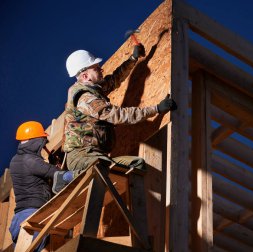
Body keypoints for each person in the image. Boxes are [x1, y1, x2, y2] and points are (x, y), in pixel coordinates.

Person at [63, 44, 177, 177]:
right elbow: (118, 115)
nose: (101, 69)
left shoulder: (93, 88)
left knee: (136, 164)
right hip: (81, 157)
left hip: (98, 155)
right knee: (101, 169)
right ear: (85, 76)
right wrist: (156, 109)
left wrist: (133, 58)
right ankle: (67, 177)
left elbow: (114, 80)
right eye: (96, 68)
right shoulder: (85, 98)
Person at [9, 121, 73, 251]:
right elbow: (56, 174)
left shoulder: (17, 160)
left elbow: (36, 180)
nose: (44, 146)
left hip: (21, 219)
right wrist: (76, 173)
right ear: (36, 141)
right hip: (33, 218)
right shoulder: (29, 160)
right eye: (43, 142)